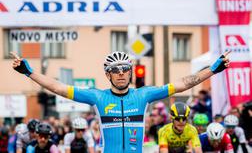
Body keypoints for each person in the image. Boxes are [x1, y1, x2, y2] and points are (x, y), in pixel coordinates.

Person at [11, 51, 230, 153]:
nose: (121, 74)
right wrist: (28, 72)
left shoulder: (143, 95)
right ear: (108, 75)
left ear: (131, 72)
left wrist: (212, 69)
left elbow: (182, 84)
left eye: (126, 69)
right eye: (115, 70)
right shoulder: (98, 97)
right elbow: (58, 87)